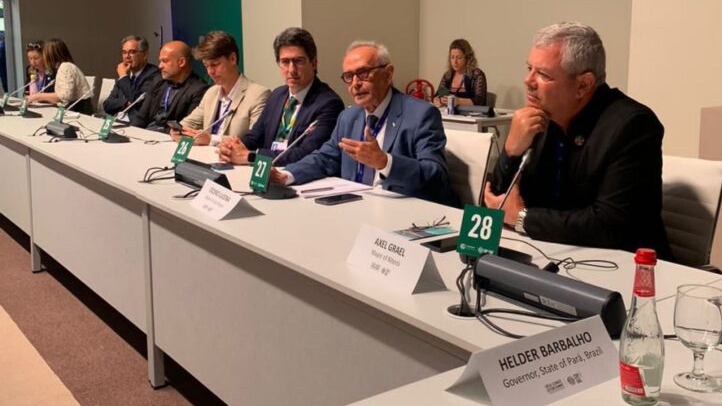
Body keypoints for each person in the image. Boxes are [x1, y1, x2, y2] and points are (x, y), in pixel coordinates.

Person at [483, 21, 671, 257]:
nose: (528, 81)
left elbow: (610, 224)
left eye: (543, 74)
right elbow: (497, 201)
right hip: (550, 253)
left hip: (622, 265)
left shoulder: (632, 126)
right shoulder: (540, 117)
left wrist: (523, 218)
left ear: (583, 84)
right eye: (529, 68)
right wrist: (511, 149)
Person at [272, 41, 456, 206]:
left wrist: (385, 162)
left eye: (363, 73)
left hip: (404, 213)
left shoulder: (421, 114)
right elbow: (325, 158)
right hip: (356, 209)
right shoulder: (348, 117)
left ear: (388, 74)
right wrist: (286, 175)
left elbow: (436, 176)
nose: (355, 84)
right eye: (348, 76)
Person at [218, 27, 344, 164]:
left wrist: (251, 156)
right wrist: (234, 147)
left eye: (298, 61)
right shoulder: (277, 95)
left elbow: (305, 153)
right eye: (285, 62)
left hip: (295, 174)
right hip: (267, 170)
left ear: (313, 63)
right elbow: (255, 136)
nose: (291, 70)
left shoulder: (329, 104)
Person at [173, 31, 270, 146]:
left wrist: (211, 139)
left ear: (233, 59)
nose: (210, 72)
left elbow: (255, 141)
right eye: (206, 66)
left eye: (214, 64)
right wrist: (178, 131)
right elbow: (187, 124)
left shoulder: (258, 95)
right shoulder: (211, 92)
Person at [132, 40, 208, 132]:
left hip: (169, 136)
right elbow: (141, 116)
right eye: (160, 61)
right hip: (147, 133)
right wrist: (132, 133)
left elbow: (187, 127)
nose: (160, 66)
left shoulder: (199, 89)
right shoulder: (158, 80)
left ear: (181, 62)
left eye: (165, 61)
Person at [102, 35, 160, 124]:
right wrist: (126, 103)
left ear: (144, 55)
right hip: (116, 121)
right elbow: (107, 105)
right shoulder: (125, 74)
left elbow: (139, 103)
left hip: (136, 125)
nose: (127, 56)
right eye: (124, 52)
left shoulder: (154, 74)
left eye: (132, 52)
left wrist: (123, 77)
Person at [28, 38, 93, 114]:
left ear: (51, 54)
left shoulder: (65, 67)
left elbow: (64, 96)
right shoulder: (62, 66)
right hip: (74, 110)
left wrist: (37, 96)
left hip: (80, 112)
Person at [434, 39, 488, 107]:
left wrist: (458, 101)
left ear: (467, 58)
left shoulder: (476, 75)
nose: (455, 62)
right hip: (449, 113)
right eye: (452, 57)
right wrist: (439, 100)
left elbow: (479, 101)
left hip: (470, 113)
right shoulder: (448, 76)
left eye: (459, 58)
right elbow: (438, 95)